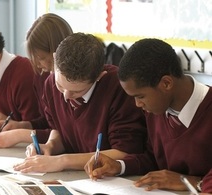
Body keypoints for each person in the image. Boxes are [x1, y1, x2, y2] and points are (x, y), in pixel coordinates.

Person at [84, 38, 212, 193]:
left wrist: (196, 182)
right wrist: (119, 166)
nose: (137, 104)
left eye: (140, 96)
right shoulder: (157, 109)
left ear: (166, 84)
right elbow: (153, 158)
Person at [13, 33, 147, 173]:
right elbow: (60, 130)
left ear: (99, 77)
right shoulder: (50, 84)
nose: (65, 96)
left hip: (109, 180)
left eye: (77, 92)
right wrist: (50, 146)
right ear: (54, 60)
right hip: (73, 177)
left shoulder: (118, 88)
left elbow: (124, 153)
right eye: (60, 86)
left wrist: (62, 161)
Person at [0, 13, 73, 148]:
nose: (37, 64)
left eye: (41, 57)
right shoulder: (43, 77)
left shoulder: (74, 84)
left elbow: (67, 135)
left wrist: (21, 135)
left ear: (57, 50)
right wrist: (21, 125)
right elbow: (47, 122)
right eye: (34, 58)